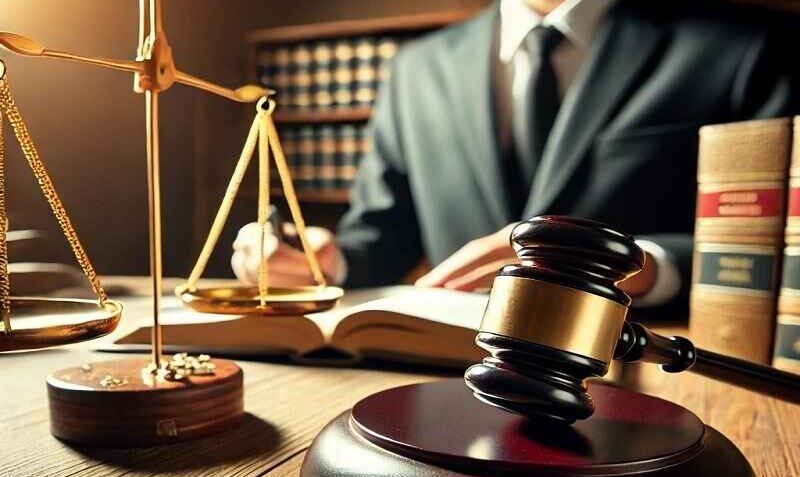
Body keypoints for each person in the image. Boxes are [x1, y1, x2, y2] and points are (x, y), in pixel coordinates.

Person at [232, 0, 800, 317]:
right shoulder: (416, 69)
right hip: (446, 379)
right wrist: (323, 263)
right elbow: (381, 236)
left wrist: (627, 264)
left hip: (650, 373)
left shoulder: (746, 46)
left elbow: (778, 248)